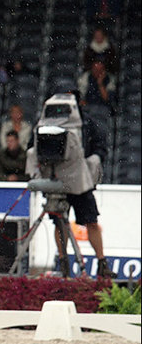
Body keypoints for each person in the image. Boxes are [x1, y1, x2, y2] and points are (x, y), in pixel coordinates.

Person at [51, 113, 116, 278]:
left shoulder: (88, 122)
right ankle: (63, 263)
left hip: (81, 179)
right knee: (60, 223)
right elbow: (36, 147)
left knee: (92, 221)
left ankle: (102, 263)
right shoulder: (48, 121)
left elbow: (101, 146)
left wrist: (95, 159)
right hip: (58, 178)